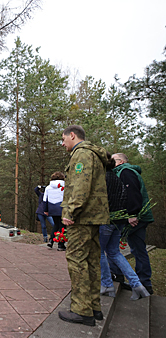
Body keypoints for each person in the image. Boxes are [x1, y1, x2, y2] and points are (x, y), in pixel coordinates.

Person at [57, 125, 110, 327]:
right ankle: (94, 307)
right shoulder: (95, 155)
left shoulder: (81, 154)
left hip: (82, 218)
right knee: (91, 261)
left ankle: (81, 310)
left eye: (63, 139)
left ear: (73, 135)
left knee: (77, 260)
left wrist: (71, 210)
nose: (63, 143)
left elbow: (81, 185)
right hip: (95, 216)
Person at [99, 153, 150, 300]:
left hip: (108, 220)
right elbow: (124, 196)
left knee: (100, 251)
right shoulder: (117, 177)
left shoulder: (107, 177)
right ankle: (137, 284)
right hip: (120, 220)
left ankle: (107, 284)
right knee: (114, 252)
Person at [111, 153, 154, 295]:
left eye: (114, 160)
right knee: (138, 249)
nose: (111, 162)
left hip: (134, 217)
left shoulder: (126, 172)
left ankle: (118, 276)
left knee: (112, 247)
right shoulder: (126, 172)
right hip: (138, 216)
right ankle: (144, 283)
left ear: (121, 161)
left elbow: (132, 193)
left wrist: (132, 214)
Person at [43, 171, 66, 251]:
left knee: (56, 225)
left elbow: (45, 199)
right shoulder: (64, 186)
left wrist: (46, 210)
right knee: (63, 226)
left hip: (52, 207)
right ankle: (61, 244)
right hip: (62, 207)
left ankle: (51, 240)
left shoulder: (48, 187)